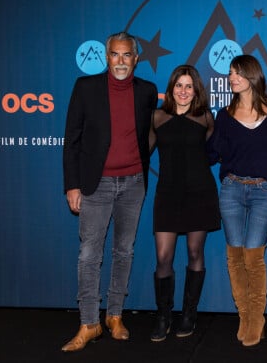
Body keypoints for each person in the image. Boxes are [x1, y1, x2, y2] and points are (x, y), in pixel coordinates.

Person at [61, 32, 158, 352]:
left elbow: (148, 134)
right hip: (95, 184)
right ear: (106, 57)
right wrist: (72, 184)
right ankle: (89, 322)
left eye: (127, 55)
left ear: (136, 58)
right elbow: (71, 139)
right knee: (89, 254)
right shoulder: (85, 87)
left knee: (124, 252)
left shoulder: (147, 91)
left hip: (133, 183)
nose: (120, 61)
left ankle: (115, 315)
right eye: (115, 55)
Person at [208, 55, 267, 347]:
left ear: (252, 75)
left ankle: (257, 318)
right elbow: (211, 153)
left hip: (264, 191)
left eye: (237, 72)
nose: (232, 78)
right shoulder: (224, 115)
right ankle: (245, 316)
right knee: (235, 256)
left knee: (254, 256)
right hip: (231, 190)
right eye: (230, 73)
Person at [148, 65, 220, 342]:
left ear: (196, 90)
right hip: (167, 194)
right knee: (163, 258)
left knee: (194, 254)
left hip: (200, 193)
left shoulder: (205, 118)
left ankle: (189, 314)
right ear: (171, 89)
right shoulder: (157, 117)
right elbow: (142, 154)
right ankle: (164, 316)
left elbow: (215, 151)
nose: (184, 91)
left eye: (189, 86)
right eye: (179, 85)